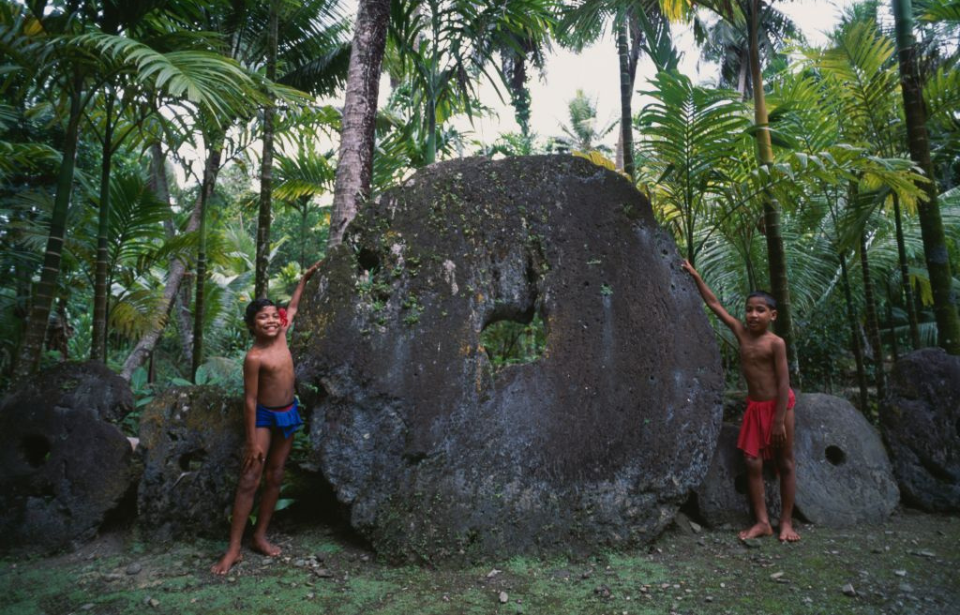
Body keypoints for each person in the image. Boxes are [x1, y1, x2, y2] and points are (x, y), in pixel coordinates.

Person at [212, 262, 321, 575]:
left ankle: (259, 535)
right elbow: (249, 399)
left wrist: (303, 279)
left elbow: (295, 305)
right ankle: (233, 548)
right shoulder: (255, 357)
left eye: (275, 315)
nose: (272, 320)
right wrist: (251, 442)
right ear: (252, 325)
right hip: (262, 417)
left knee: (275, 476)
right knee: (250, 478)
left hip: (287, 413)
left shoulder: (283, 333)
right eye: (263, 317)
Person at [681, 260, 800, 543]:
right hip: (755, 407)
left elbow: (784, 383)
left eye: (760, 310)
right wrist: (696, 275)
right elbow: (714, 304)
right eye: (749, 309)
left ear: (773, 314)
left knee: (785, 464)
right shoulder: (740, 332)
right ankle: (762, 522)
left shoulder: (776, 343)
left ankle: (785, 522)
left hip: (780, 407)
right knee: (752, 462)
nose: (753, 315)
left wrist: (779, 420)